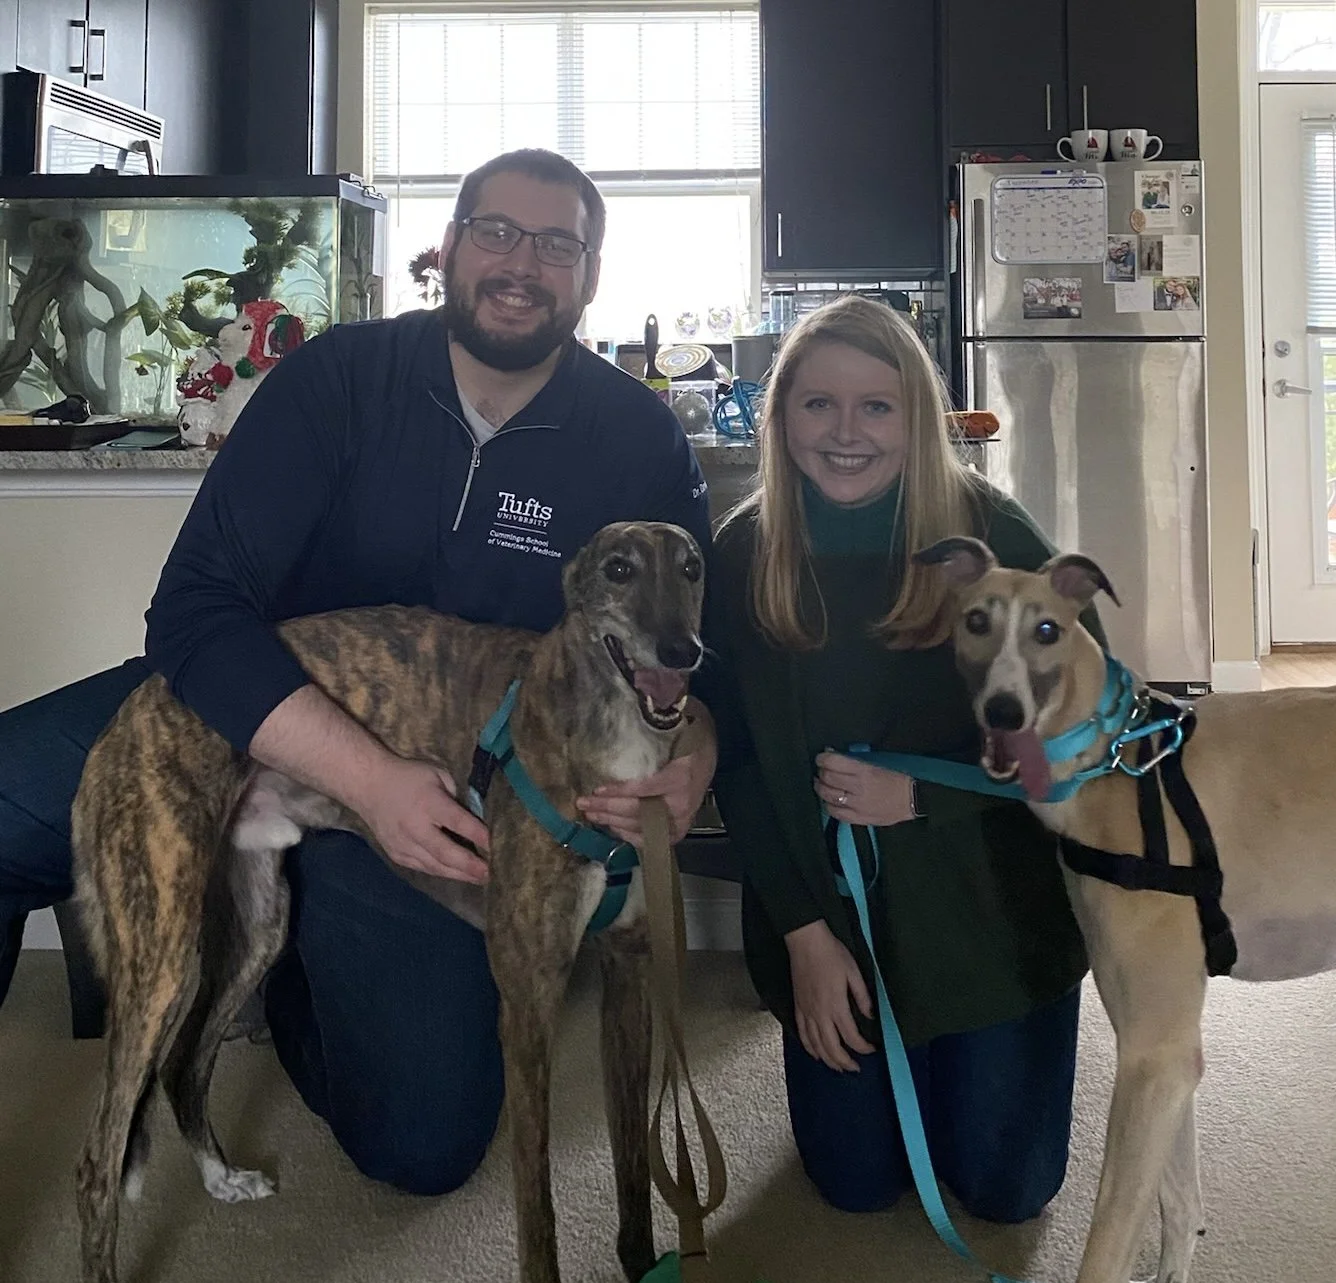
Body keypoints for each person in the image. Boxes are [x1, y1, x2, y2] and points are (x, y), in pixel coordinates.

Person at [0, 148, 716, 1195]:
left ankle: (286, 960)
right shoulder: (339, 377)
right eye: (497, 233)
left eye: (558, 242)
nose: (522, 263)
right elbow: (193, 610)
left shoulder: (635, 437)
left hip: (439, 799)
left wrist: (697, 742)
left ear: (590, 272)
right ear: (449, 249)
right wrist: (361, 774)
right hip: (242, 711)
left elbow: (706, 642)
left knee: (423, 1145)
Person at [697, 294, 1099, 1224]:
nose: (846, 433)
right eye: (818, 405)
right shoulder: (747, 550)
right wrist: (801, 932)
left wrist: (928, 794)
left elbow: (1083, 739)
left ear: (917, 417)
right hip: (832, 920)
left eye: (877, 406)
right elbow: (739, 760)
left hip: (989, 911)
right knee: (855, 1185)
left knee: (1010, 1191)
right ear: (779, 412)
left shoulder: (994, 537)